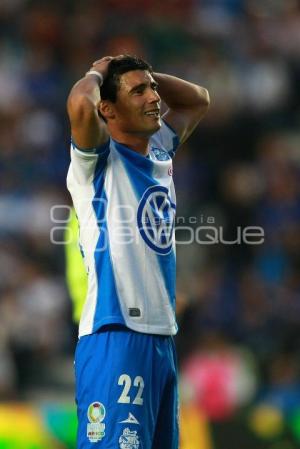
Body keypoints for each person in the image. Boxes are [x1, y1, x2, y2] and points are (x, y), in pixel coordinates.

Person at [66, 54, 209, 449]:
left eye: (154, 90)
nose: (154, 99)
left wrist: (140, 75)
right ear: (107, 109)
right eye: (139, 92)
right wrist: (100, 71)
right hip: (115, 333)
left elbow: (198, 100)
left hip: (162, 337)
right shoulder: (97, 162)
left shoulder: (160, 149)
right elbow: (80, 104)